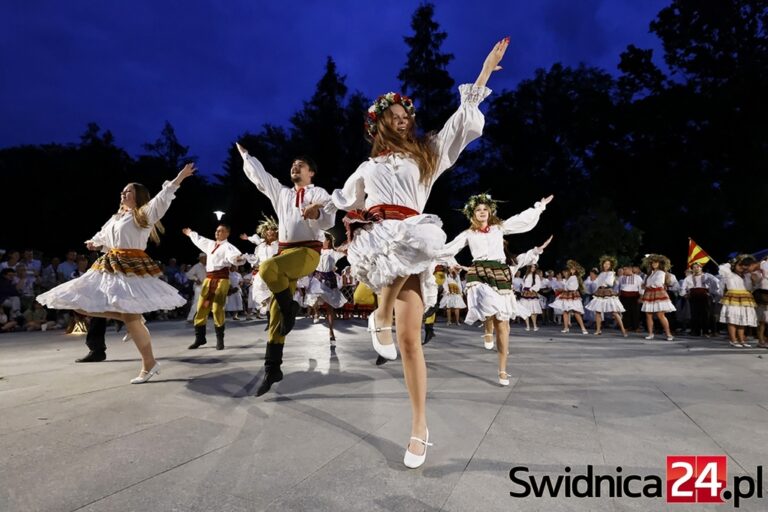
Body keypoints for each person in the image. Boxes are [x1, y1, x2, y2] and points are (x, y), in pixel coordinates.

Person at [328, 38, 509, 469]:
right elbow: (345, 199)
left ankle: (418, 426)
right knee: (396, 259)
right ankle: (380, 315)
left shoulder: (427, 155)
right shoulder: (367, 167)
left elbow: (458, 126)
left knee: (411, 339)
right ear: (379, 125)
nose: (402, 120)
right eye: (393, 116)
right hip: (380, 239)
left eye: (406, 115)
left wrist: (482, 74)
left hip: (414, 235)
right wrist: (324, 208)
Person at [36, 164, 195, 383]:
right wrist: (94, 243)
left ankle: (148, 363)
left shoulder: (144, 213)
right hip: (110, 263)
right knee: (78, 302)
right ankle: (134, 323)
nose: (123, 193)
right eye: (122, 190)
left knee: (129, 317)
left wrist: (180, 177)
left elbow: (163, 197)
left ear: (137, 196)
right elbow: (103, 236)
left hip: (131, 266)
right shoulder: (116, 217)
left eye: (128, 190)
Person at [238, 146, 335, 396]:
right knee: (275, 315)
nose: (295, 167)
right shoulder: (281, 194)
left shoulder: (318, 192)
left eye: (300, 164)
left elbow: (329, 216)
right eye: (293, 164)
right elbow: (262, 177)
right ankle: (272, 368)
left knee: (267, 267)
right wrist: (247, 156)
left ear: (311, 172)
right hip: (285, 254)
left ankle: (290, 307)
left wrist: (318, 211)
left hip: (307, 252)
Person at [184, 224, 244, 350]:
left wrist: (237, 259)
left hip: (221, 281)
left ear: (227, 233)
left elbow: (234, 257)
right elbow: (199, 239)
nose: (217, 233)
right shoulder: (210, 244)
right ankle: (200, 338)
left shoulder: (228, 247)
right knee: (202, 307)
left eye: (221, 231)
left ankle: (220, 339)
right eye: (217, 230)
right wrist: (190, 233)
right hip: (209, 281)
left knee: (217, 309)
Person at [305, 233, 348, 350]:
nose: (322, 241)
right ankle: (316, 312)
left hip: (329, 279)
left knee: (330, 307)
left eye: (324, 239)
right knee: (312, 298)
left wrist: (344, 247)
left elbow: (346, 253)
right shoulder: (316, 251)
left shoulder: (334, 253)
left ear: (328, 241)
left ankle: (331, 332)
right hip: (317, 278)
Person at [241, 215, 279, 320]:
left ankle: (275, 317)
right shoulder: (261, 246)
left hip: (276, 273)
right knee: (258, 288)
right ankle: (266, 310)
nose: (270, 232)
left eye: (273, 230)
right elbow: (256, 258)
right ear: (265, 232)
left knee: (275, 297)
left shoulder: (279, 245)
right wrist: (245, 256)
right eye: (268, 230)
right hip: (262, 272)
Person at [719, 254, 758, 347]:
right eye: (740, 265)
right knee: (732, 319)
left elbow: (750, 288)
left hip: (745, 297)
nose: (742, 267)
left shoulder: (747, 276)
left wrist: (753, 281)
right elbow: (723, 267)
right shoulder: (728, 274)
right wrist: (735, 261)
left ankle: (742, 340)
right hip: (732, 297)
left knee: (742, 319)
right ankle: (733, 340)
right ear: (734, 264)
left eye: (745, 265)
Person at [585, 255, 628, 336]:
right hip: (600, 292)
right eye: (605, 263)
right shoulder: (601, 273)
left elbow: (609, 282)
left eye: (608, 264)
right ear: (602, 264)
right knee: (598, 312)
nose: (606, 265)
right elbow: (596, 283)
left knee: (614, 312)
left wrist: (600, 281)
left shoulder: (611, 273)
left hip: (608, 291)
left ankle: (623, 330)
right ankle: (598, 330)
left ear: (611, 265)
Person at [640, 254, 676, 341]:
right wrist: (645, 286)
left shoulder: (661, 272)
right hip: (649, 294)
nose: (654, 264)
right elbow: (646, 285)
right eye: (652, 263)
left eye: (656, 263)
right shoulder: (650, 274)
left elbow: (658, 283)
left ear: (660, 263)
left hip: (658, 294)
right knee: (648, 315)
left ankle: (668, 334)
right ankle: (650, 333)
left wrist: (647, 285)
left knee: (660, 315)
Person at [680, 262, 719, 337]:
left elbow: (717, 282)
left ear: (701, 268)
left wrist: (712, 292)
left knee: (706, 314)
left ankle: (706, 331)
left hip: (705, 296)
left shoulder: (707, 276)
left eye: (698, 267)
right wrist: (684, 294)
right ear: (692, 269)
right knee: (694, 314)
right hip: (694, 296)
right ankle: (695, 331)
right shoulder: (689, 277)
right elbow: (683, 287)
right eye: (694, 267)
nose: (696, 268)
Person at [520, 263, 543, 331]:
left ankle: (535, 326)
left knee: (533, 310)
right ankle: (527, 326)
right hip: (525, 293)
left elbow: (538, 285)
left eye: (534, 267)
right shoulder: (525, 276)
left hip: (532, 292)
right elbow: (523, 284)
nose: (533, 268)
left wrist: (531, 289)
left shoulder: (536, 276)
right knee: (525, 309)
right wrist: (522, 290)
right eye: (532, 267)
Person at [185, 253, 207, 322]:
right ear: (200, 258)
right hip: (199, 287)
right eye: (204, 258)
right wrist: (196, 279)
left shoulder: (208, 266)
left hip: (207, 286)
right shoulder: (196, 266)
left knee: (206, 302)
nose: (206, 259)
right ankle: (190, 318)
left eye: (206, 258)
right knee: (197, 301)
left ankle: (203, 316)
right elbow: (188, 274)